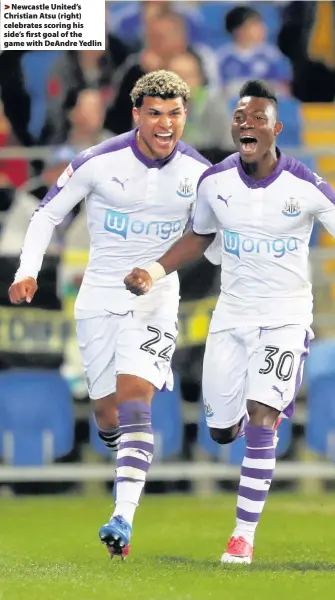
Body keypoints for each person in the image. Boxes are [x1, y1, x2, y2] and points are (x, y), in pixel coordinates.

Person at [123, 79, 335, 564]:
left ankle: (242, 536)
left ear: (276, 129)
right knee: (220, 431)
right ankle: (264, 408)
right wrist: (153, 271)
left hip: (285, 318)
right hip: (232, 318)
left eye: (257, 117)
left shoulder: (306, 185)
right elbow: (198, 237)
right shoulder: (214, 183)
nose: (246, 124)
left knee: (261, 418)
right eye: (240, 117)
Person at [8, 70, 215, 559]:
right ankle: (116, 446)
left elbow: (205, 232)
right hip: (99, 297)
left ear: (185, 115)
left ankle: (122, 516)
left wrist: (158, 269)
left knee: (134, 401)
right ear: (137, 115)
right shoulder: (98, 161)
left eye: (175, 113)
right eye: (156, 113)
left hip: (156, 299)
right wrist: (28, 269)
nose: (166, 124)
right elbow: (47, 214)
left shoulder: (200, 174)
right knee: (107, 414)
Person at [218, 6, 292, 100]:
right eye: (254, 24)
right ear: (238, 30)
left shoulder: (272, 55)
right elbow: (217, 89)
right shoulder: (222, 58)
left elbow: (284, 88)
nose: (262, 28)